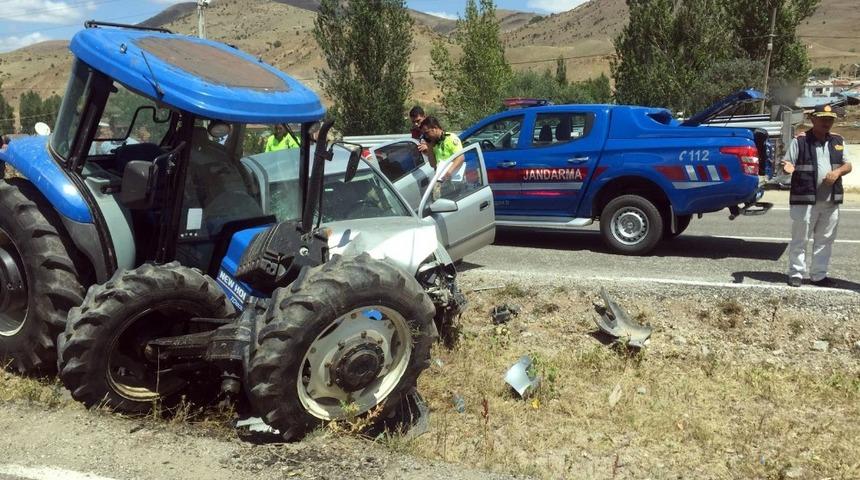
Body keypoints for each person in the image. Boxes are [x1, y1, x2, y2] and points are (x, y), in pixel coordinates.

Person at [781, 103, 852, 287]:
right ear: (813, 119)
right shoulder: (800, 141)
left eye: (830, 120)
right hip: (805, 200)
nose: (826, 122)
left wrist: (837, 173)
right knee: (800, 239)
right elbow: (787, 162)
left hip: (830, 202)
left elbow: (848, 165)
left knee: (825, 241)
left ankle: (819, 275)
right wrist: (788, 167)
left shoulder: (838, 141)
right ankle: (796, 274)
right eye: (822, 119)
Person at [417, 116, 464, 182]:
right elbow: (433, 164)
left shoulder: (451, 138)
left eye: (427, 133)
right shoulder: (434, 143)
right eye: (424, 135)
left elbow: (460, 158)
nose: (426, 136)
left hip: (454, 179)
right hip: (441, 179)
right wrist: (430, 147)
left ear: (435, 128)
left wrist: (448, 173)